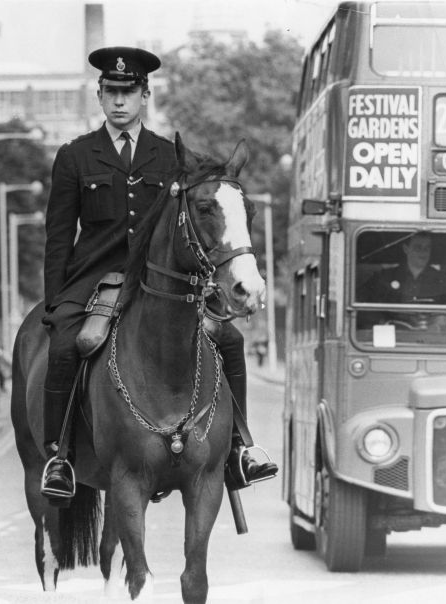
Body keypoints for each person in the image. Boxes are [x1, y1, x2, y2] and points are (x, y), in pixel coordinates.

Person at [40, 46, 275, 501]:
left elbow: (198, 221)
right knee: (67, 345)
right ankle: (61, 456)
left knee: (230, 341)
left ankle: (238, 450)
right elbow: (58, 236)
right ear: (100, 94)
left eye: (129, 92)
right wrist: (56, 303)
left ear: (145, 95)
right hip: (95, 278)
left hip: (161, 280)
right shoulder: (75, 156)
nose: (119, 101)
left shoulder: (170, 156)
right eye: (111, 92)